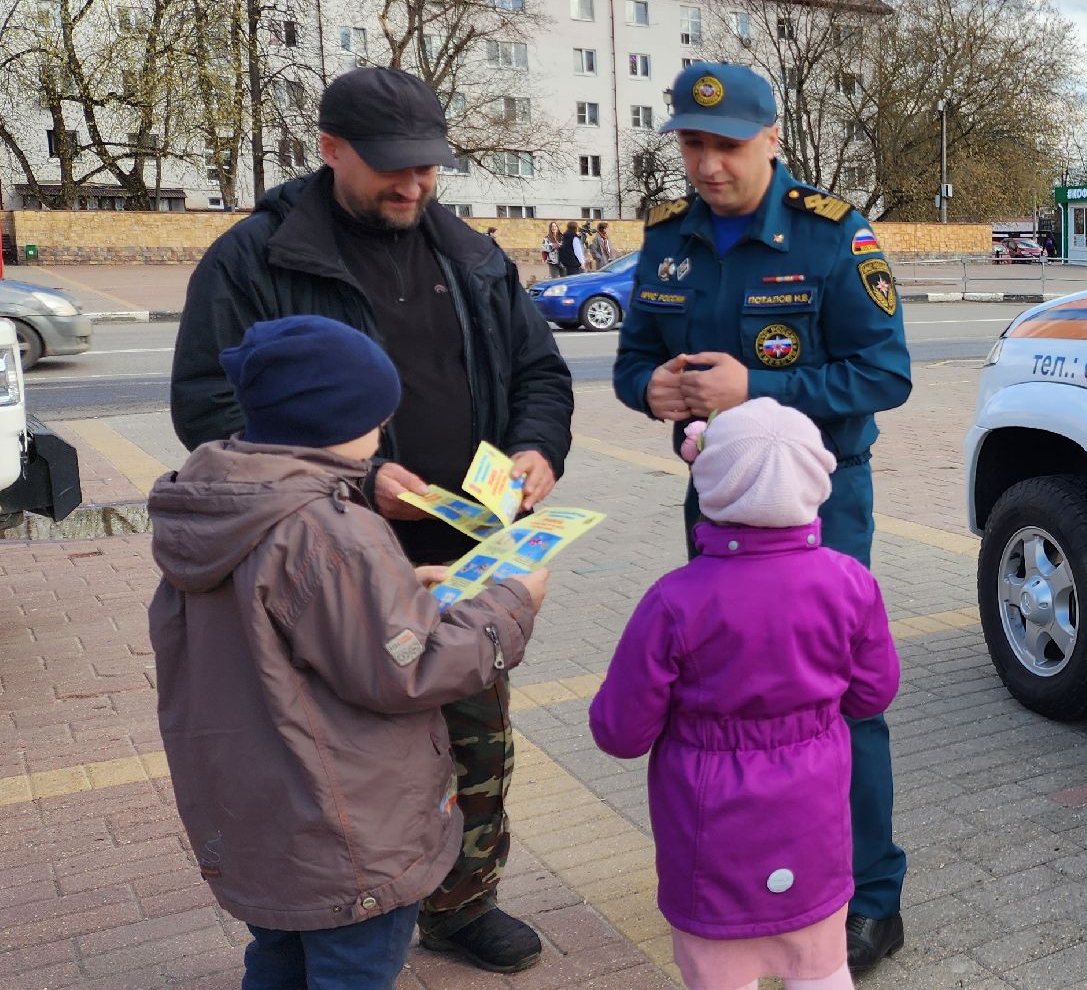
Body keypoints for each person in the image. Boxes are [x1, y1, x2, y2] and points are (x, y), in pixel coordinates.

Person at [169, 66, 576, 974]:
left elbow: (541, 373)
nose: (413, 185)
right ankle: (330, 916)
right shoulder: (255, 258)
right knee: (340, 769)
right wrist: (358, 482)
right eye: (392, 168)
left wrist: (536, 448)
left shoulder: (470, 254)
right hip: (321, 567)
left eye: (429, 167)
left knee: (474, 742)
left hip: (457, 554)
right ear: (329, 150)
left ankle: (461, 903)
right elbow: (206, 409)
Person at [613, 62, 912, 973]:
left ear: (772, 139)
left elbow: (885, 374)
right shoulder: (668, 241)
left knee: (832, 703)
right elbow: (633, 362)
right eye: (692, 145)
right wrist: (648, 390)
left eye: (727, 145)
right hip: (715, 507)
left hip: (823, 511)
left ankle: (870, 897)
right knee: (720, 698)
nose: (706, 166)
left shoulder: (830, 238)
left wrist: (763, 387)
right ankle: (752, 884)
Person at [149, 316, 549, 990]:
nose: (381, 438)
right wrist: (510, 603)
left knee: (277, 958)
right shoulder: (332, 532)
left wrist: (401, 591)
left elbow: (290, 625)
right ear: (336, 421)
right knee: (353, 970)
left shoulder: (215, 505)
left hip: (264, 821)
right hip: (347, 832)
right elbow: (409, 673)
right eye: (376, 420)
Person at [591, 400, 900, 990]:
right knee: (821, 964)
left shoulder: (675, 600)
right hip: (814, 819)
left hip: (709, 827)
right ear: (816, 484)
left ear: (708, 482)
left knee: (719, 972)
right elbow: (872, 694)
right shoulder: (850, 583)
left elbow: (620, 733)